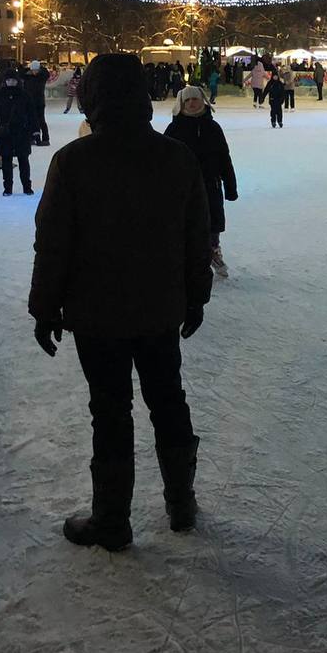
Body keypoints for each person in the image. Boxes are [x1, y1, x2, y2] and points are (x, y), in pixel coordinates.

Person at [30, 53, 212, 551]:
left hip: (97, 314)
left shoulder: (75, 160)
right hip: (159, 310)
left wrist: (44, 307)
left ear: (93, 97)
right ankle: (181, 505)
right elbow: (197, 237)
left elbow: (54, 242)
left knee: (110, 412)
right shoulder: (175, 157)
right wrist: (196, 297)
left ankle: (112, 520)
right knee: (168, 401)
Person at [165, 85, 237, 278]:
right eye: (187, 100)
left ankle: (213, 249)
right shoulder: (174, 128)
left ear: (202, 101)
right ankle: (189, 258)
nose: (191, 103)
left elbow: (224, 157)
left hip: (210, 184)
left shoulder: (212, 128)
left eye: (194, 99)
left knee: (212, 221)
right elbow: (163, 160)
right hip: (183, 187)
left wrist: (230, 186)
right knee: (186, 222)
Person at [0, 67, 37, 195]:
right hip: (4, 133)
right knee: (6, 161)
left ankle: (27, 187)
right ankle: (8, 188)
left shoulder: (25, 95)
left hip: (22, 132)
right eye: (9, 80)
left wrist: (35, 131)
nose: (11, 82)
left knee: (23, 160)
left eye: (13, 80)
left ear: (17, 81)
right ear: (5, 81)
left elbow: (32, 114)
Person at [24, 60, 50, 146]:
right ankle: (32, 138)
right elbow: (21, 73)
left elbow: (46, 73)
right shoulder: (28, 77)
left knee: (41, 120)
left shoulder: (42, 77)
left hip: (39, 102)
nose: (35, 72)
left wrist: (41, 68)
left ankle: (45, 138)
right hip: (29, 102)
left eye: (36, 70)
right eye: (33, 70)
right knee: (30, 121)